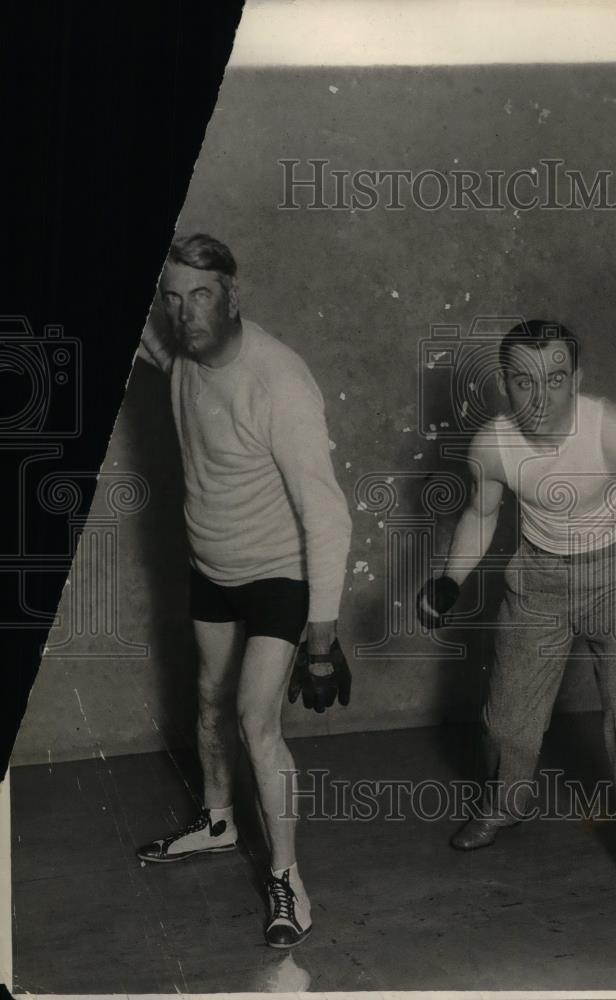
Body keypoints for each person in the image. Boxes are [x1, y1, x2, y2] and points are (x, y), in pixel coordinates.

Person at [417, 320, 616, 931]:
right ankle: (507, 804)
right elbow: (481, 515)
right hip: (537, 583)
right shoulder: (493, 445)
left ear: (577, 380)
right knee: (507, 720)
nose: (540, 398)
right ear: (505, 384)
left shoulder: (611, 430)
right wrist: (449, 580)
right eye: (523, 382)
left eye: (556, 379)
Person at [134, 232, 352, 948]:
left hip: (277, 574)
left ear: (233, 295)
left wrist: (321, 636)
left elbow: (326, 513)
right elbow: (151, 340)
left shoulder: (277, 381)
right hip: (210, 565)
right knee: (207, 699)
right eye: (172, 298)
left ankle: (288, 880)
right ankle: (218, 821)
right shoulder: (179, 355)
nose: (184, 313)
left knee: (255, 721)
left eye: (200, 296)